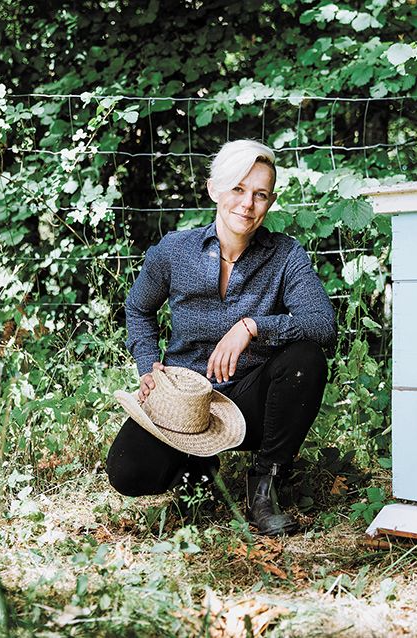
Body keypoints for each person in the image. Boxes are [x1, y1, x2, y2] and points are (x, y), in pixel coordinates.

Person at [106, 139, 336, 535]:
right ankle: (198, 469)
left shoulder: (285, 255)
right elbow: (138, 308)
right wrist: (148, 366)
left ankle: (265, 484)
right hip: (185, 401)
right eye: (238, 189)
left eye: (260, 194)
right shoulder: (174, 251)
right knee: (128, 472)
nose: (247, 204)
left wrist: (253, 326)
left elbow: (323, 325)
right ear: (214, 189)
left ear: (271, 200)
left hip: (251, 400)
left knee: (306, 359)